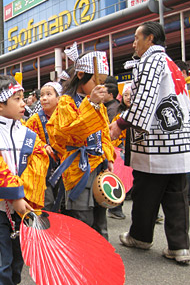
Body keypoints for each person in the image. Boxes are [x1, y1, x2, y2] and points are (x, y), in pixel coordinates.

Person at [109, 21, 190, 265]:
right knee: (177, 198)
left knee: (146, 193)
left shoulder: (150, 61)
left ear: (150, 40)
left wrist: (120, 124)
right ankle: (180, 247)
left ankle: (140, 237)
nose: (134, 43)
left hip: (157, 144)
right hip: (180, 143)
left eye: (137, 38)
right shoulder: (170, 63)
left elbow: (143, 103)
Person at [0, 75, 49, 285]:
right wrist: (15, 196)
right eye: (17, 98)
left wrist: (25, 198)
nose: (23, 103)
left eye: (23, 97)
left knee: (18, 261)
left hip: (23, 210)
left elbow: (38, 165)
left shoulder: (28, 134)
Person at [46, 43, 114, 240]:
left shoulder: (99, 105)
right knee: (82, 216)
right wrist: (90, 104)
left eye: (103, 80)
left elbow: (105, 134)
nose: (101, 85)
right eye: (97, 80)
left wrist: (108, 157)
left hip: (98, 162)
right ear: (81, 75)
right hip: (78, 165)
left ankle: (102, 259)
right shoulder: (66, 102)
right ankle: (81, 259)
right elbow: (66, 133)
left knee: (101, 215)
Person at [26, 81, 62, 211]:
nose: (44, 98)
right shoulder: (34, 119)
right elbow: (29, 138)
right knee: (47, 202)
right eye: (42, 95)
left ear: (59, 98)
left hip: (63, 165)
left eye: (48, 94)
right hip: (43, 168)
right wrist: (43, 146)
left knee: (62, 200)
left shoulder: (65, 117)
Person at [175, 60, 190, 205]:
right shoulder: (185, 87)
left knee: (185, 167)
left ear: (183, 73)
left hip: (186, 134)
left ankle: (189, 194)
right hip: (187, 134)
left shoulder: (188, 89)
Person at [107, 83, 132, 220]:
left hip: (137, 150)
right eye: (126, 95)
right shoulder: (119, 116)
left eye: (131, 95)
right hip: (121, 150)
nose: (128, 98)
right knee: (120, 178)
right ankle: (116, 207)